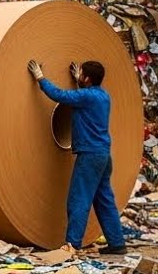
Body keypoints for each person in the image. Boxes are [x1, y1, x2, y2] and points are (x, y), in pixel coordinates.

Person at [27, 59, 127, 255]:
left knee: (78, 199)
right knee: (104, 200)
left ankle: (72, 244)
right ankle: (117, 244)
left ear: (87, 79)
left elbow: (59, 96)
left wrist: (40, 77)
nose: (78, 75)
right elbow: (84, 95)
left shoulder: (85, 97)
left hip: (89, 155)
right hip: (104, 155)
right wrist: (78, 81)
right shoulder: (103, 96)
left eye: (81, 74)